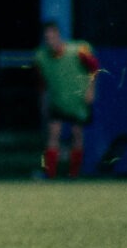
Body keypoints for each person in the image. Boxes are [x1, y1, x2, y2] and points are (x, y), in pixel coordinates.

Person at [35, 20, 99, 179]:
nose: (50, 40)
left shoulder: (78, 50)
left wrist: (91, 90)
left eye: (52, 36)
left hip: (77, 101)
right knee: (53, 134)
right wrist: (43, 101)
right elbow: (42, 82)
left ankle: (74, 175)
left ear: (58, 35)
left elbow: (94, 67)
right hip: (58, 101)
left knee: (77, 134)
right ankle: (50, 174)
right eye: (46, 38)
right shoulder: (41, 57)